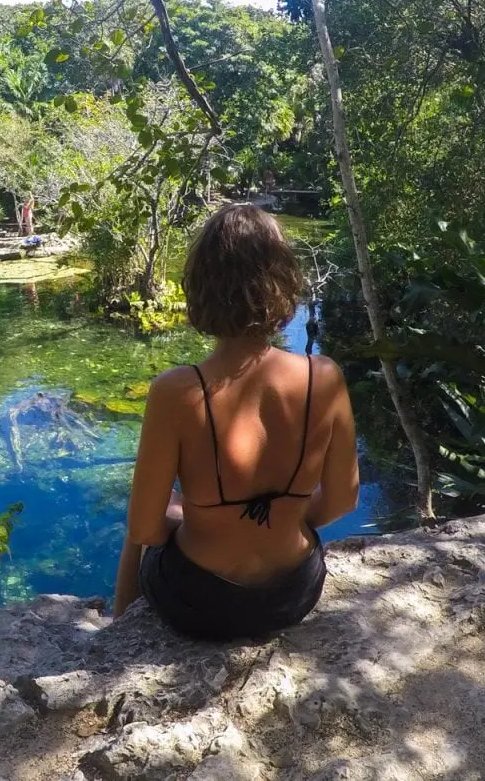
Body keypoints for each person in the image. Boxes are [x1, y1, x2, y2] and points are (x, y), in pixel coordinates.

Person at [112, 204, 359, 641]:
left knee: (142, 521)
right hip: (294, 595)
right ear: (283, 282)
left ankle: (116, 633)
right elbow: (341, 501)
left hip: (200, 601)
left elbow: (145, 529)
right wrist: (285, 516)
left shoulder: (176, 391)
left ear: (201, 286)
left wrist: (196, 519)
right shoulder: (324, 377)